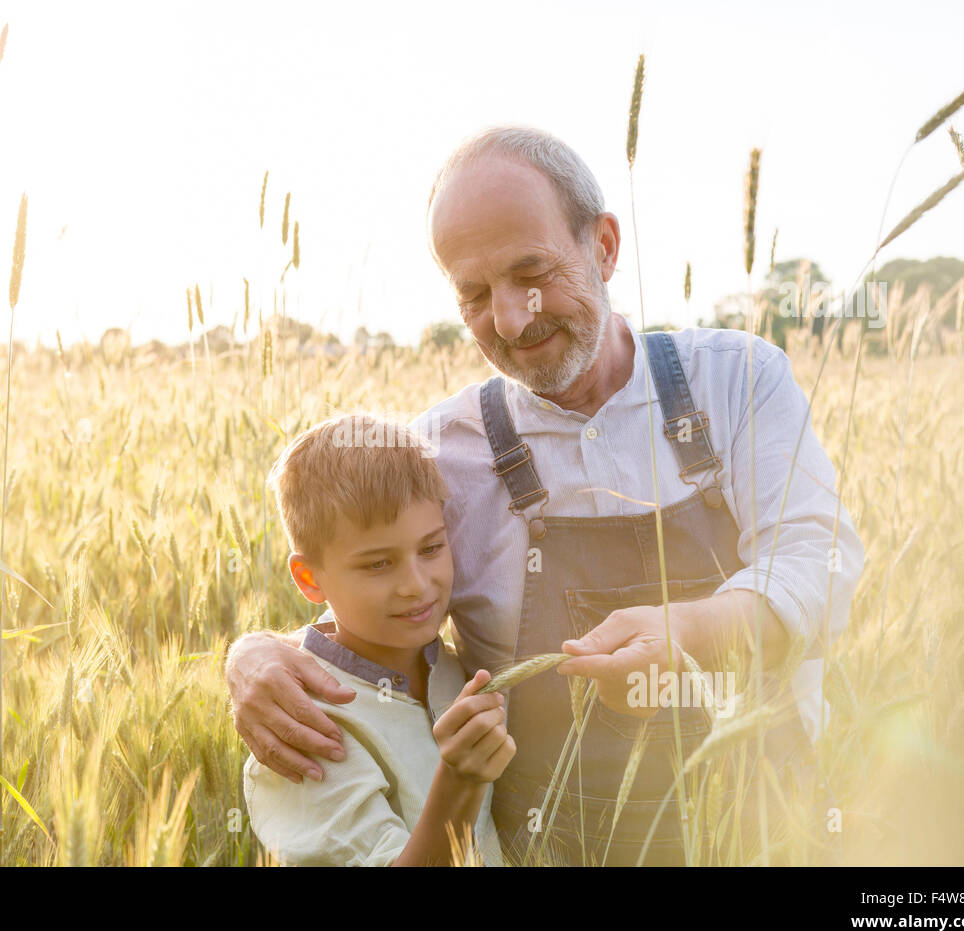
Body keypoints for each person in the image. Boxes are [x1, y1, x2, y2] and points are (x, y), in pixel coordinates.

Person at [228, 125, 865, 865]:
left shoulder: (739, 380)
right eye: (473, 295)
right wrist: (252, 656)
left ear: (602, 246)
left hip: (764, 833)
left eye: (530, 273)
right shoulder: (441, 451)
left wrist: (689, 633)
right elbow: (360, 582)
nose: (510, 319)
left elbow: (819, 561)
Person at [242, 414, 510, 866]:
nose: (417, 585)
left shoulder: (451, 662)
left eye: (430, 548)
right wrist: (460, 781)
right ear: (309, 579)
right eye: (378, 564)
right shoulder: (303, 728)